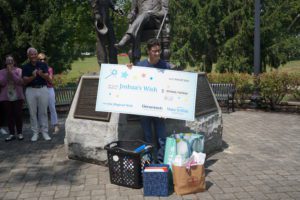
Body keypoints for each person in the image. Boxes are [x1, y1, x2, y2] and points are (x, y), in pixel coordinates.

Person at [128, 38, 171, 163]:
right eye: (154, 51)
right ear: (148, 51)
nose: (157, 53)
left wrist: (167, 108)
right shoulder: (140, 66)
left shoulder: (165, 66)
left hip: (159, 109)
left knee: (162, 138)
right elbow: (131, 80)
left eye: (159, 51)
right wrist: (129, 69)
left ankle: (161, 162)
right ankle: (150, 162)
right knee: (147, 137)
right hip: (144, 109)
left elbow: (169, 87)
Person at [22, 48, 51, 141]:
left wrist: (41, 74)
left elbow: (48, 78)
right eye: (31, 54)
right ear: (28, 56)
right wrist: (33, 76)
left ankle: (45, 132)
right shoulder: (25, 67)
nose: (33, 56)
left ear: (37, 55)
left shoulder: (43, 64)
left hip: (43, 89)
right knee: (32, 112)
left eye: (35, 54)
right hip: (31, 90)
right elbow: (25, 81)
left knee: (43, 112)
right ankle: (35, 133)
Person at [90, 0, 124, 66]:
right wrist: (96, 12)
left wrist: (117, 9)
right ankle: (103, 64)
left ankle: (113, 64)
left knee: (112, 41)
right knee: (101, 42)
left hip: (107, 19)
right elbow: (93, 2)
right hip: (100, 19)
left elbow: (111, 3)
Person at [0, 55, 25, 141]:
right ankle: (11, 134)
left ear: (14, 62)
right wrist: (7, 73)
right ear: (5, 63)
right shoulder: (1, 72)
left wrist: (12, 73)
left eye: (11, 61)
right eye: (8, 61)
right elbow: (2, 83)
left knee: (18, 115)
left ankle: (20, 133)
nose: (10, 63)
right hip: (6, 97)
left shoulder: (19, 70)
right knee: (9, 116)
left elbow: (19, 81)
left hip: (17, 96)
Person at [38, 53, 59, 134]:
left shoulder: (49, 69)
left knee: (52, 107)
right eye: (40, 59)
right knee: (41, 109)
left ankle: (55, 125)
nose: (42, 60)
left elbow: (50, 80)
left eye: (44, 59)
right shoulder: (36, 69)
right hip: (40, 89)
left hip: (49, 89)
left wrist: (42, 74)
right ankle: (42, 127)